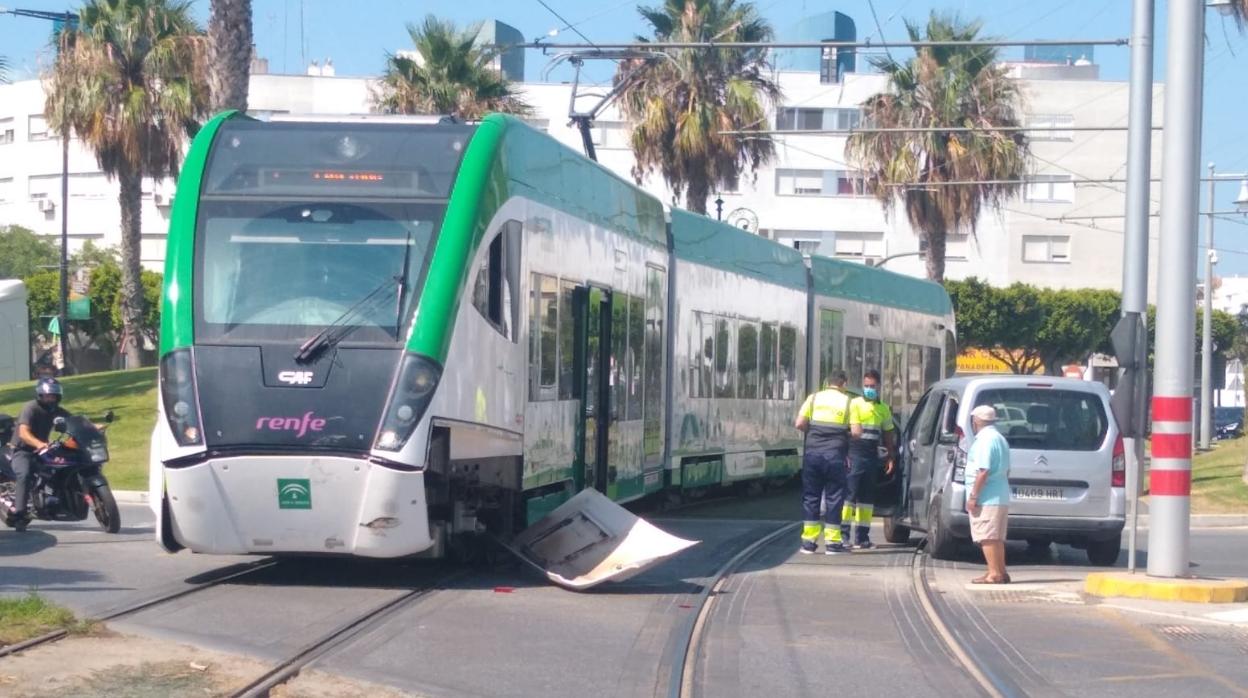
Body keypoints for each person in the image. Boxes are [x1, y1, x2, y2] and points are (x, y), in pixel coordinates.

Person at [794, 371, 853, 555]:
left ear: (827, 383)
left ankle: (808, 543)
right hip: (835, 456)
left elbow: (799, 423)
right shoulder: (848, 402)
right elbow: (857, 431)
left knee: (811, 497)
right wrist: (845, 434)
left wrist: (814, 430)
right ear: (844, 384)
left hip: (812, 455)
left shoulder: (813, 399)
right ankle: (833, 544)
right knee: (834, 498)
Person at [4, 378, 72, 529]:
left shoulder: (57, 411)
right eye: (48, 396)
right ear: (40, 395)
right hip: (22, 450)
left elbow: (74, 422)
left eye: (53, 396)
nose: (51, 399)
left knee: (61, 467)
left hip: (42, 450)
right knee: (24, 474)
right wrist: (39, 443)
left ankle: (56, 502)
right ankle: (20, 515)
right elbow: (23, 433)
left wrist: (93, 427)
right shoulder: (31, 408)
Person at [842, 369, 895, 549]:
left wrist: (890, 456)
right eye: (866, 386)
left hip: (871, 455)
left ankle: (862, 538)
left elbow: (888, 433)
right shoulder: (854, 404)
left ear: (879, 387)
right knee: (849, 496)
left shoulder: (884, 408)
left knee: (866, 499)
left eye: (872, 386)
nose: (869, 389)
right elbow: (847, 430)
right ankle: (844, 537)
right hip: (854, 452)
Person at [966, 404, 1012, 584]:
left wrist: (973, 496)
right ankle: (999, 571)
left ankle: (994, 573)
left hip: (987, 497)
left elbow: (983, 471)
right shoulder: (999, 438)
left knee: (986, 536)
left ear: (976, 421)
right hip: (999, 494)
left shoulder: (985, 440)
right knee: (996, 537)